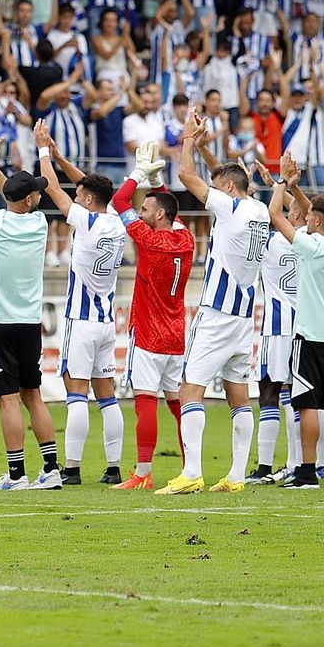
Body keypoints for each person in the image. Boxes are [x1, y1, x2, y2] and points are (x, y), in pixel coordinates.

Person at [163, 109, 270, 494]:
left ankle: (191, 472)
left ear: (226, 190)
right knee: (237, 394)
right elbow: (227, 179)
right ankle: (237, 476)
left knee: (190, 387)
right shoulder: (258, 208)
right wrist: (210, 151)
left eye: (219, 186)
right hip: (245, 317)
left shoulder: (230, 206)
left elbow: (186, 177)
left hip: (218, 312)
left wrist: (189, 141)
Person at [0, 126, 60, 491]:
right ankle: (50, 469)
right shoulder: (38, 224)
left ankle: (17, 474)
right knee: (33, 395)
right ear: (29, 200)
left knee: (7, 399)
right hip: (27, 323)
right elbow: (13, 194)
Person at [33, 121, 126, 486]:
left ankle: (71, 468)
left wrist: (43, 150)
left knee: (76, 395)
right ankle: (114, 467)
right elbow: (87, 185)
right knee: (107, 397)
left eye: (81, 193)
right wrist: (60, 156)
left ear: (87, 200)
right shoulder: (115, 220)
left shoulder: (85, 221)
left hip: (82, 319)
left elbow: (53, 188)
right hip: (106, 321)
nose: (77, 193)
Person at [263, 156, 324, 489]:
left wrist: (282, 183)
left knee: (307, 404)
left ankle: (306, 471)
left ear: (314, 220)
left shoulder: (310, 245)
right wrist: (300, 189)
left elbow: (274, 215)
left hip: (308, 334)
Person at [108, 144, 193, 489]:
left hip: (147, 333)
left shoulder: (147, 239)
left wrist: (137, 175)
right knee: (177, 405)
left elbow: (118, 203)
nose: (139, 214)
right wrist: (158, 182)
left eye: (146, 209)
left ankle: (142, 473)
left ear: (157, 216)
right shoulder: (186, 239)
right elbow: (171, 211)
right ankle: (191, 466)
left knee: (145, 402)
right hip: (175, 334)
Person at [246, 172, 303, 485]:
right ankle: (297, 464)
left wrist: (278, 185)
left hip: (277, 328)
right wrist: (281, 185)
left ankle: (266, 467)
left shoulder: (271, 241)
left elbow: (262, 214)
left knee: (268, 392)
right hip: (302, 328)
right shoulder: (310, 241)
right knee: (296, 396)